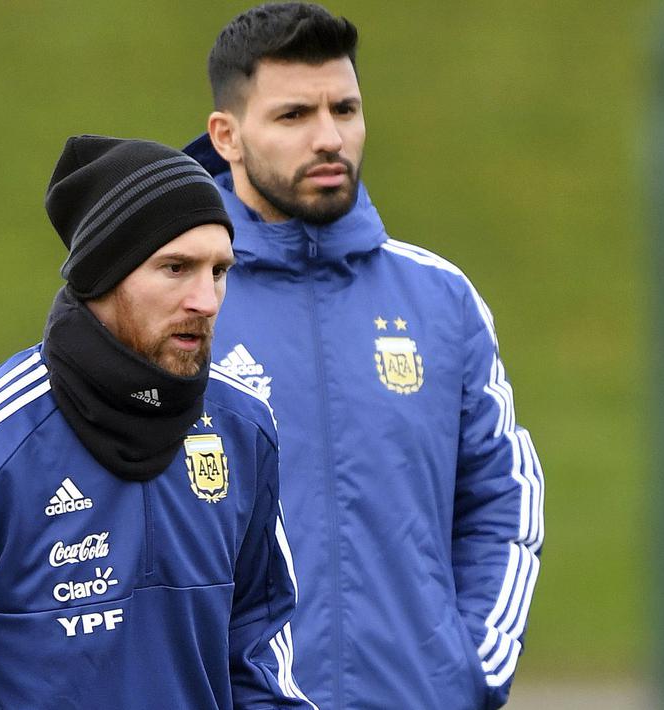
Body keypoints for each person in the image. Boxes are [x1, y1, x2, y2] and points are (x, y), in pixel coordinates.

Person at [0, 135, 315, 709]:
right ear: (103, 276)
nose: (206, 299)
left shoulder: (243, 428)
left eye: (218, 270)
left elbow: (257, 653)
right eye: (176, 268)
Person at [184, 4, 545, 709]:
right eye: (293, 116)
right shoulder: (179, 302)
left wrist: (470, 670)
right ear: (226, 136)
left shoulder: (440, 298)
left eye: (344, 109)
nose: (329, 138)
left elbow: (503, 498)